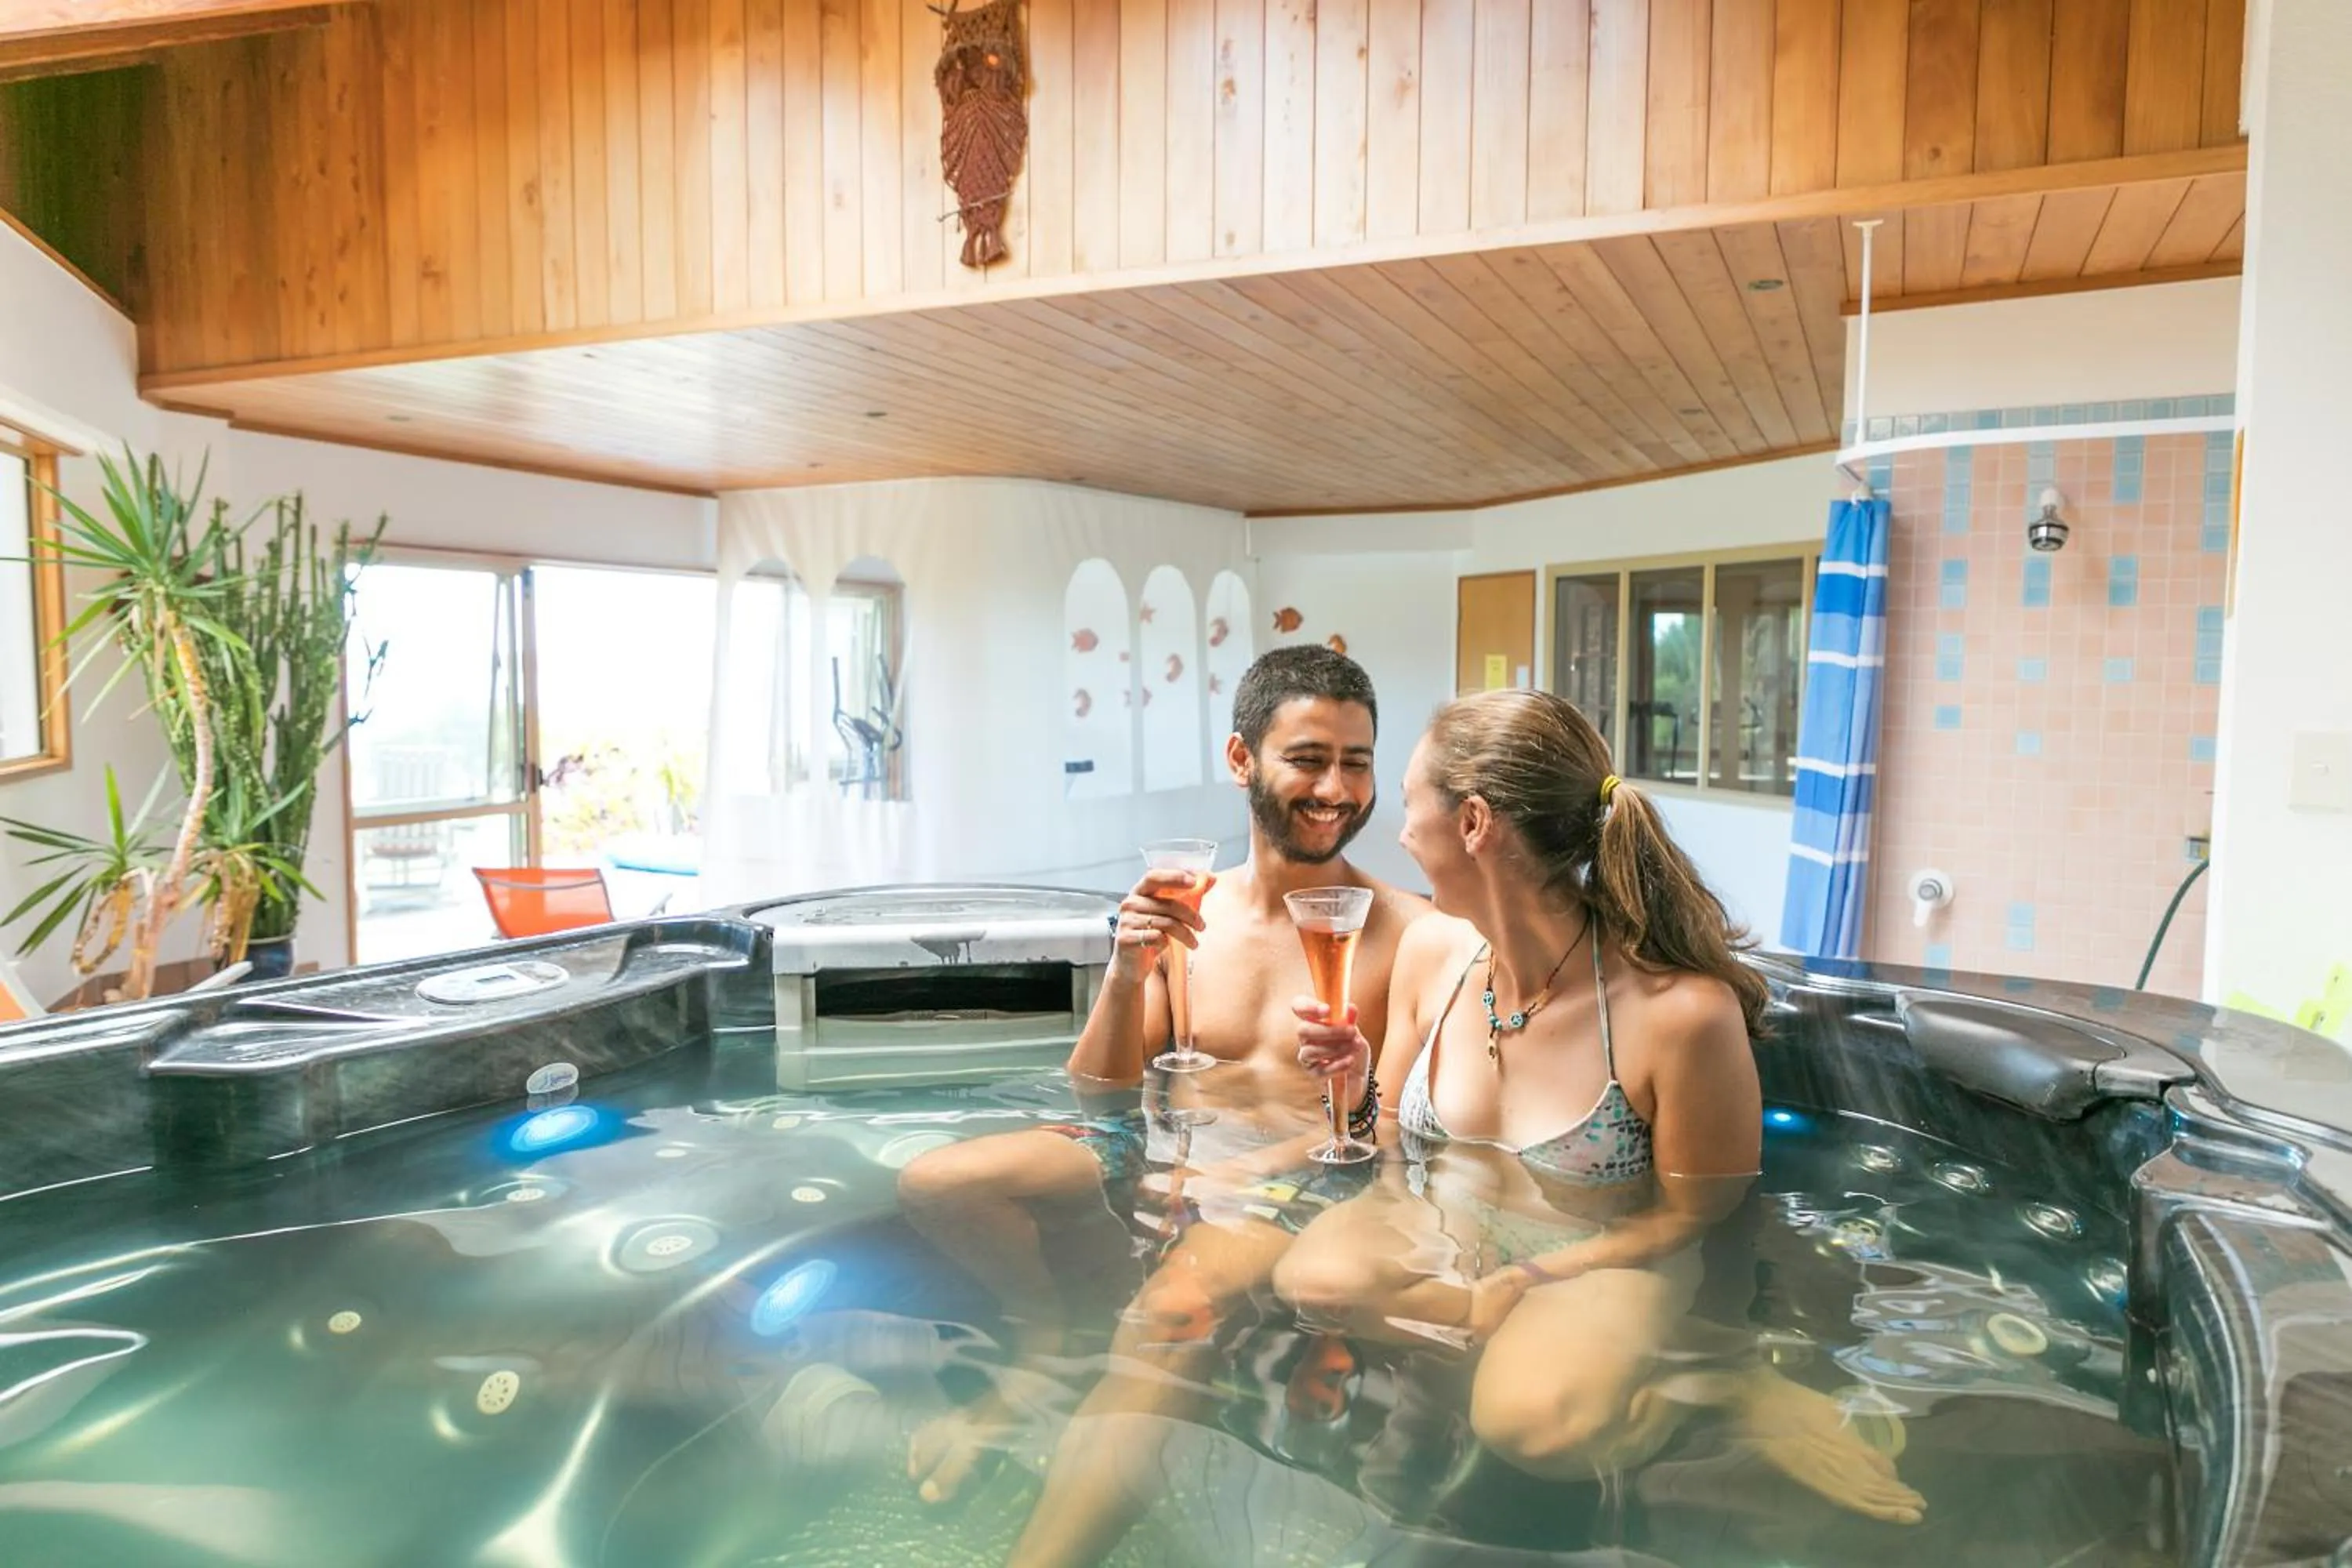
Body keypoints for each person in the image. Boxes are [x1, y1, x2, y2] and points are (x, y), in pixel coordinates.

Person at [1276, 689, 1926, 1526]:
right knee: (1311, 1280)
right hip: (1453, 1234)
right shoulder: (1431, 954)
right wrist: (1362, 1088)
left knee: (1529, 1423)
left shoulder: (1677, 1012)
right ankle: (1485, 1361)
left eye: (1411, 804)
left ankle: (1718, 1380)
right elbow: (1397, 1148)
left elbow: (1702, 1216)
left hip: (1607, 1254)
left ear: (1473, 821)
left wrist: (1531, 1275)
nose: (1400, 833)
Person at [894, 646, 1430, 1521]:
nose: (1336, 787)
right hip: (1168, 1145)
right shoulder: (1196, 912)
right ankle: (1044, 1338)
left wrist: (1241, 1174)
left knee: (1173, 1308)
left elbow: (1393, 1121)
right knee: (941, 1181)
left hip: (1308, 1173)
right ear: (1241, 760)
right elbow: (1101, 1091)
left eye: (1357, 762)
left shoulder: (1411, 929)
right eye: (1308, 757)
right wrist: (1126, 965)